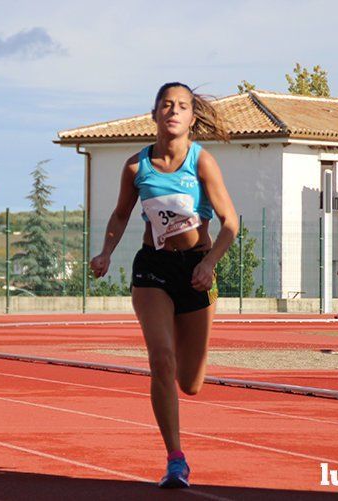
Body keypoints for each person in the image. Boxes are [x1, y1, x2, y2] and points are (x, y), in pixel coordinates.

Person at [90, 82, 238, 489]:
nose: (174, 111)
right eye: (167, 105)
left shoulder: (201, 162)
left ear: (192, 118)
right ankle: (176, 458)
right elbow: (121, 216)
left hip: (196, 269)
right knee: (161, 361)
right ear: (155, 114)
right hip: (152, 269)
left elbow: (231, 223)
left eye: (182, 106)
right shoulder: (137, 167)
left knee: (190, 382)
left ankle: (188, 341)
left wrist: (209, 263)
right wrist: (105, 252)